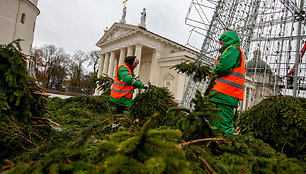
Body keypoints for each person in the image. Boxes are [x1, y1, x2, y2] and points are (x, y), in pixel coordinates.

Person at [209, 31, 245, 136]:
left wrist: (214, 72)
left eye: (222, 42)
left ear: (228, 40)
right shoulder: (233, 51)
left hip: (225, 94)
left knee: (223, 127)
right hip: (223, 94)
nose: (221, 45)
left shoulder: (233, 50)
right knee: (217, 126)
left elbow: (223, 67)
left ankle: (226, 147)